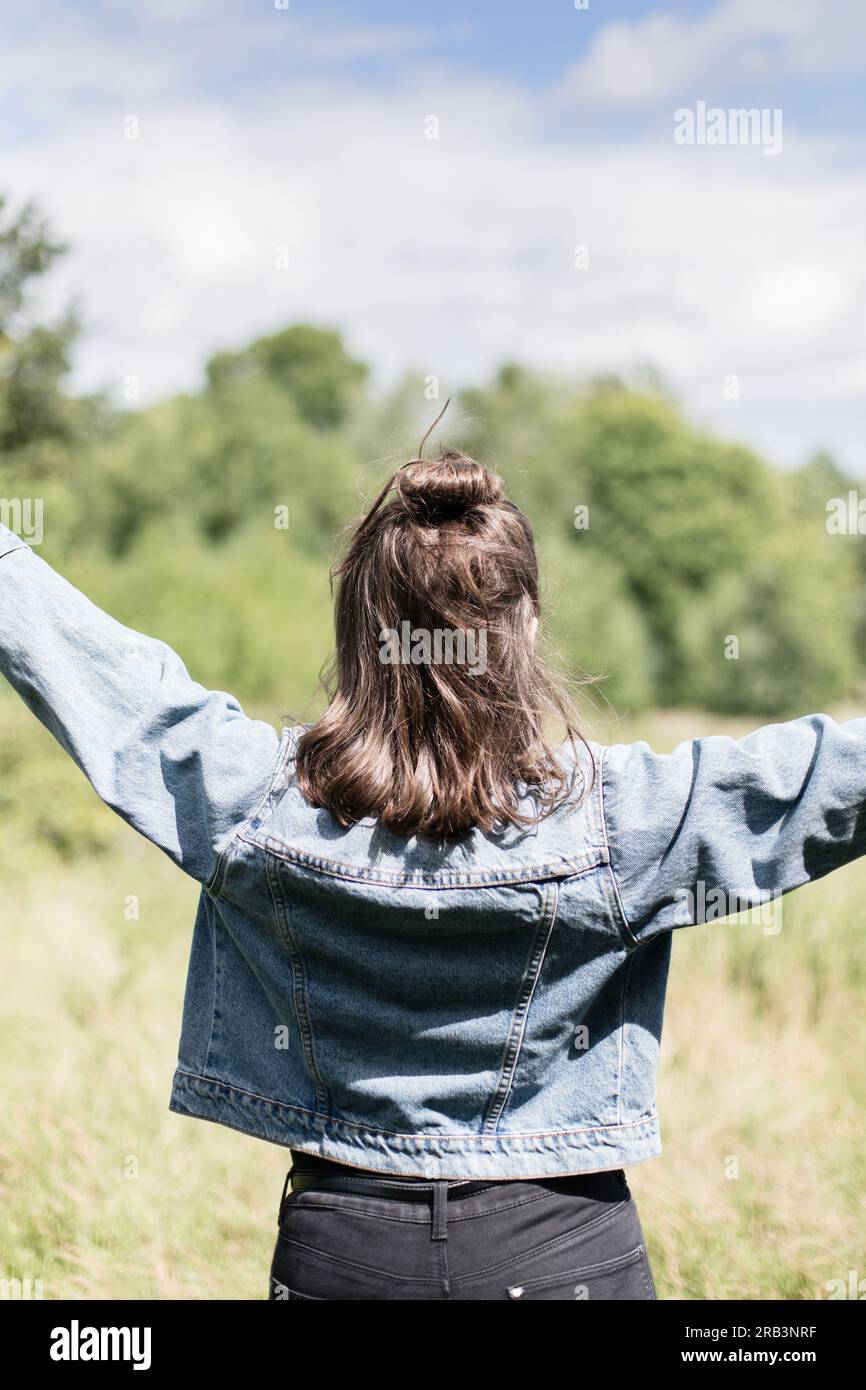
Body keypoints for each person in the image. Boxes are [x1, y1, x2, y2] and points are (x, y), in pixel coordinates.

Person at [2, 449, 865, 1301]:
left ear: (356, 630)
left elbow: (101, 676)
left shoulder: (250, 804)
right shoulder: (624, 820)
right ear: (526, 627)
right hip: (564, 1255)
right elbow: (825, 775)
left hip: (343, 1248)